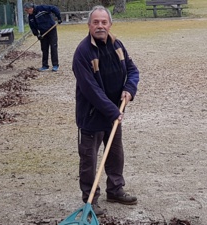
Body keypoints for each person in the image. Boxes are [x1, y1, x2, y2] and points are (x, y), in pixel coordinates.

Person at [72, 5, 140, 216]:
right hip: (93, 116)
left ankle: (115, 189)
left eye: (104, 22)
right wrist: (112, 111)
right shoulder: (82, 52)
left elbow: (132, 70)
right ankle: (90, 199)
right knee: (89, 160)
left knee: (115, 154)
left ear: (110, 24)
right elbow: (90, 89)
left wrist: (129, 89)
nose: (100, 26)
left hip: (114, 114)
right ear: (89, 25)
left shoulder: (117, 45)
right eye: (96, 22)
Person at [23, 2, 62, 72]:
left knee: (53, 47)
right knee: (44, 48)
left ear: (31, 8)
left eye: (27, 10)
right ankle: (45, 65)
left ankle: (55, 65)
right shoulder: (30, 17)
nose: (27, 12)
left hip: (51, 29)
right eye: (26, 11)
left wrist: (59, 18)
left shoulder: (41, 8)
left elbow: (54, 8)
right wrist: (37, 34)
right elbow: (33, 27)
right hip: (42, 32)